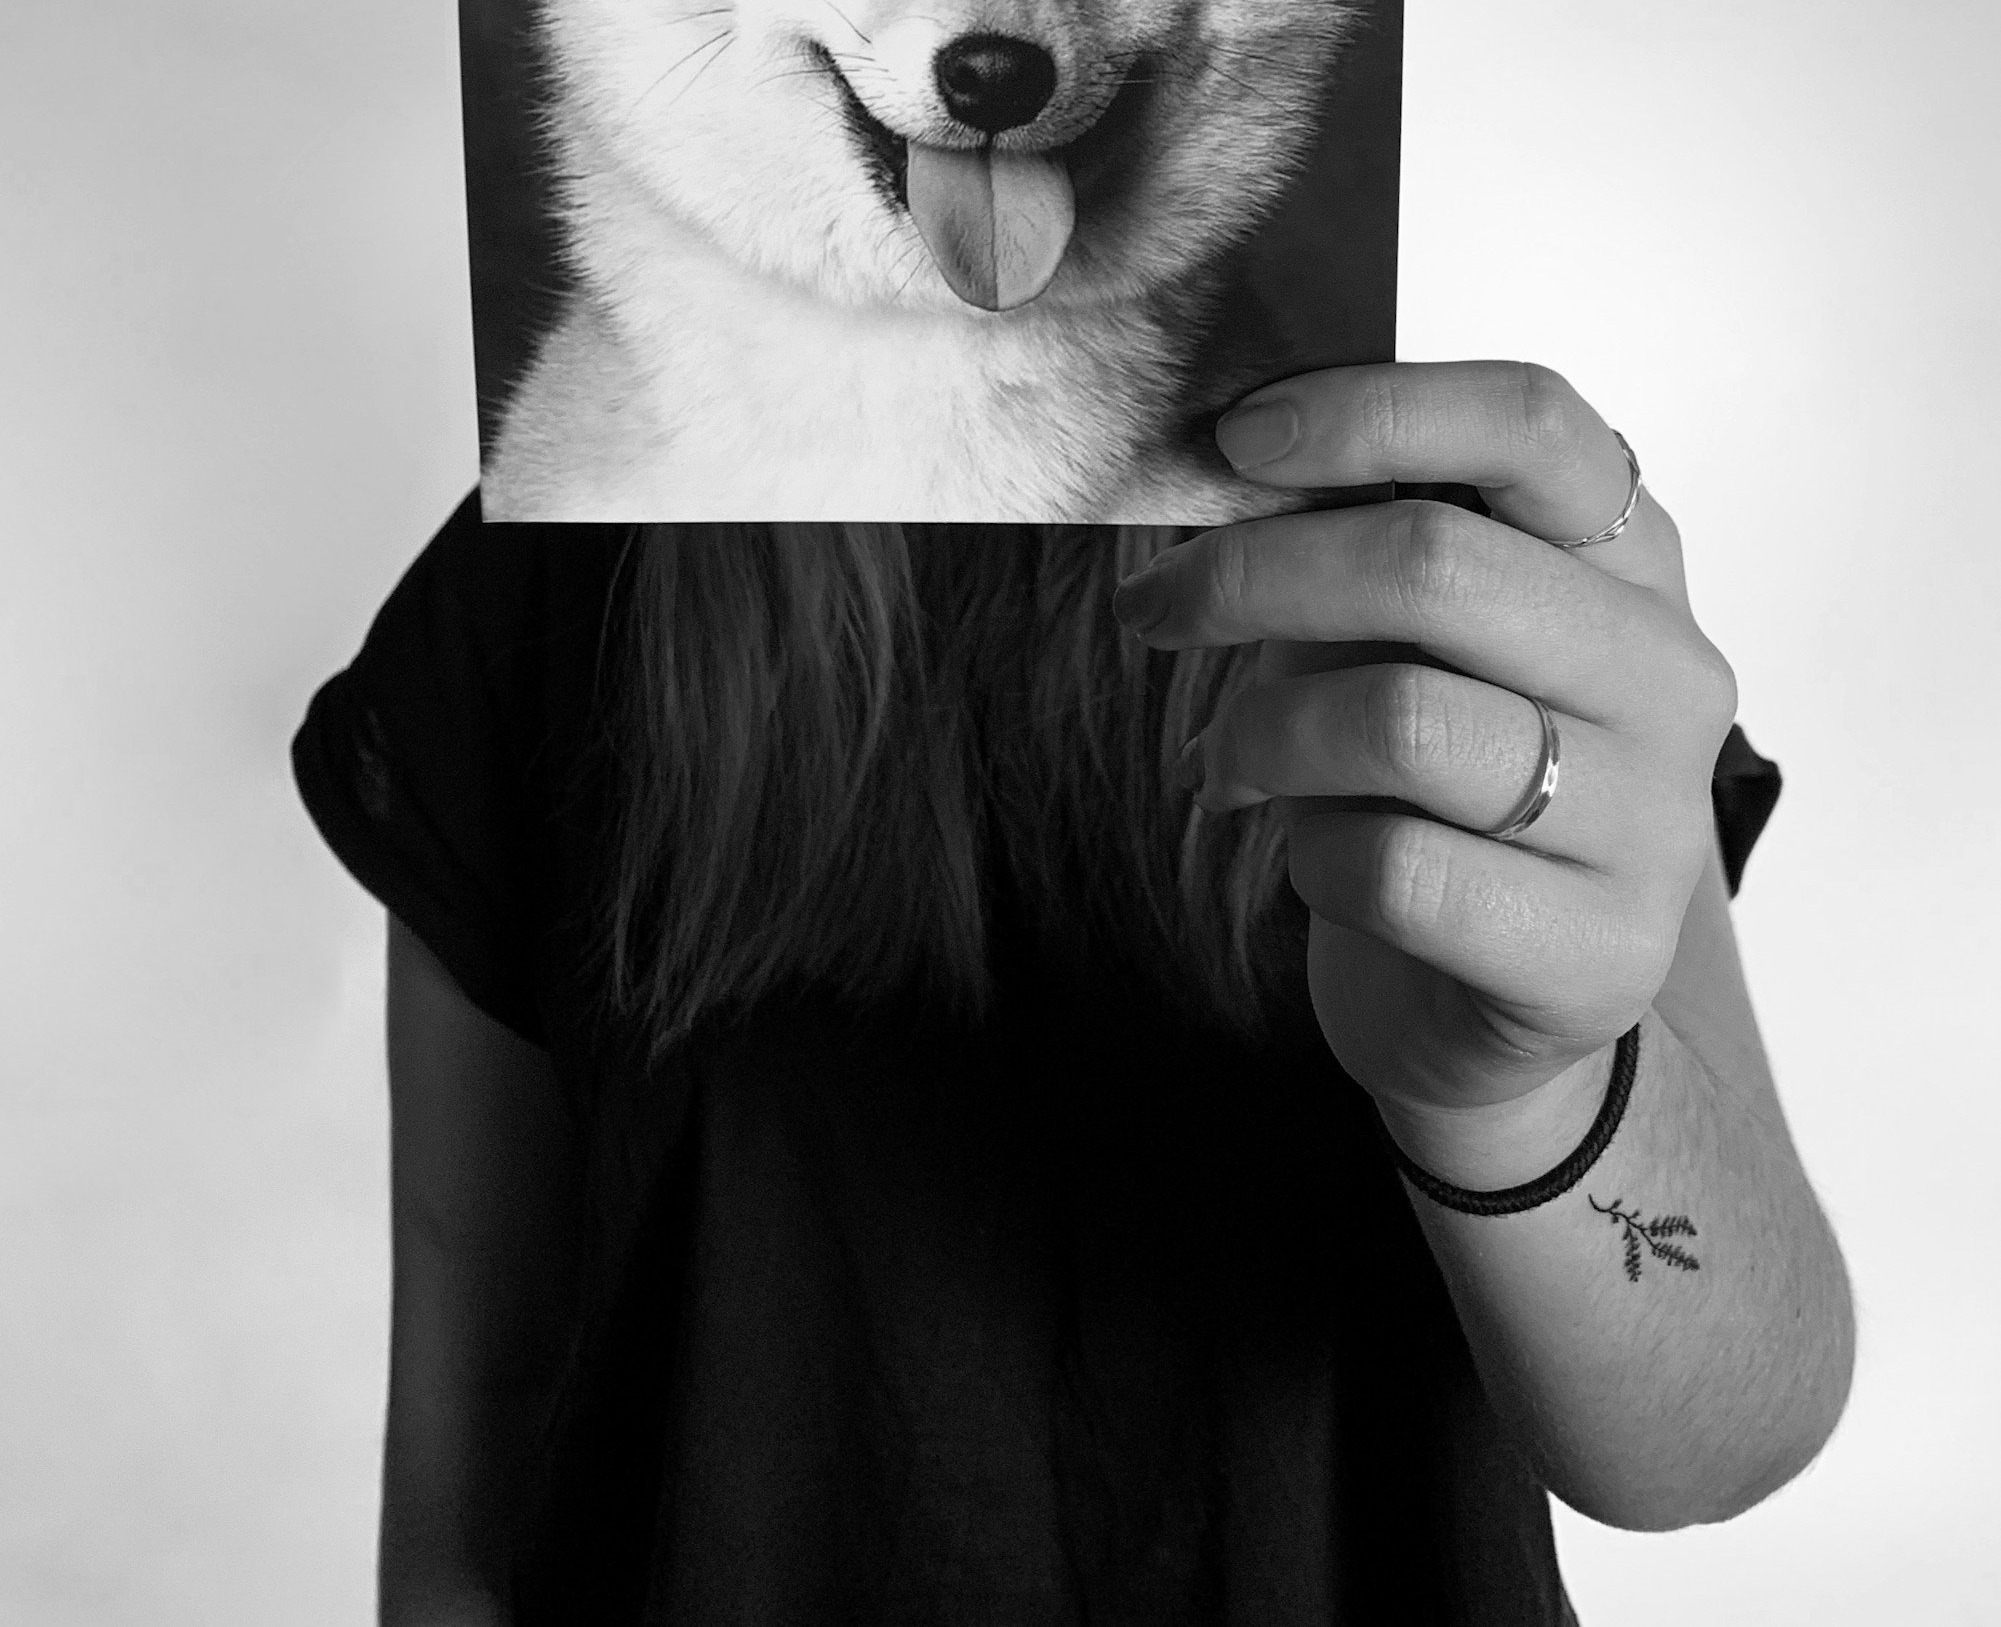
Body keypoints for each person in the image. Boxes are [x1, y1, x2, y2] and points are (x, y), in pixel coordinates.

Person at [295, 359, 1853, 1625]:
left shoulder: (1446, 585)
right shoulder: (549, 568)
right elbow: (479, 1431)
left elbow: (1713, 1437)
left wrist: (1515, 1094)